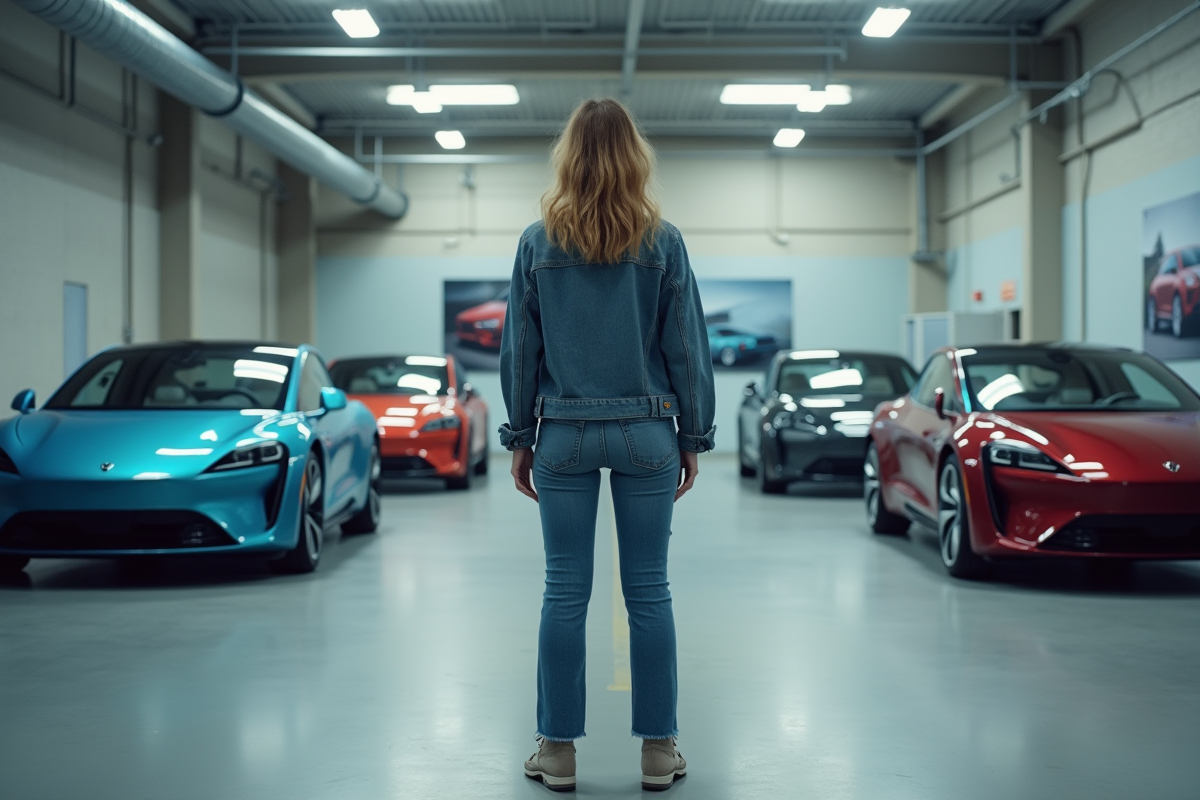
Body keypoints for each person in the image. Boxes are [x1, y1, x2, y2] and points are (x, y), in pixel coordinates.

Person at [499, 98, 716, 793]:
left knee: (565, 591)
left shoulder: (537, 242)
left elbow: (519, 351)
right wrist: (692, 435)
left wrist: (521, 437)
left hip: (562, 432)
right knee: (648, 590)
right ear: (634, 159)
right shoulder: (664, 242)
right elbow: (685, 348)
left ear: (568, 157)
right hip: (647, 429)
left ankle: (557, 754)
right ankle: (658, 752)